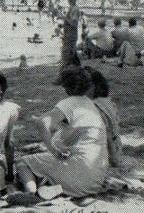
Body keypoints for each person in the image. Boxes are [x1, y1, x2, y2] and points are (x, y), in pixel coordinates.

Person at [14, 67, 108, 200]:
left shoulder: (68, 103)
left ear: (66, 88)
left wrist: (52, 149)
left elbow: (42, 123)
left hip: (80, 175)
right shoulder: (90, 105)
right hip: (96, 178)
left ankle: (31, 194)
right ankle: (52, 187)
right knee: (46, 165)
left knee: (23, 162)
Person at [86, 69, 123, 168]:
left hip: (106, 155)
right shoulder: (107, 102)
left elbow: (107, 135)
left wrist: (113, 159)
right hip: (117, 147)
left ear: (92, 87)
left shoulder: (94, 107)